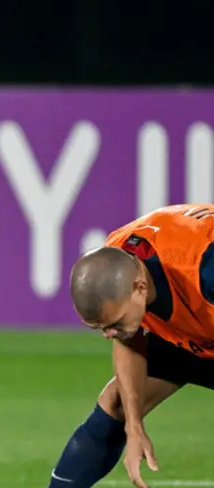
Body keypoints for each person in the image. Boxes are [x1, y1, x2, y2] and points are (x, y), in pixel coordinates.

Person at [49, 204, 214, 488]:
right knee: (118, 402)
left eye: (114, 323)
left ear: (140, 288)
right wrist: (134, 425)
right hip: (193, 334)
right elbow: (129, 339)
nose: (109, 334)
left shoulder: (204, 270)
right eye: (100, 329)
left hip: (201, 312)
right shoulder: (118, 260)